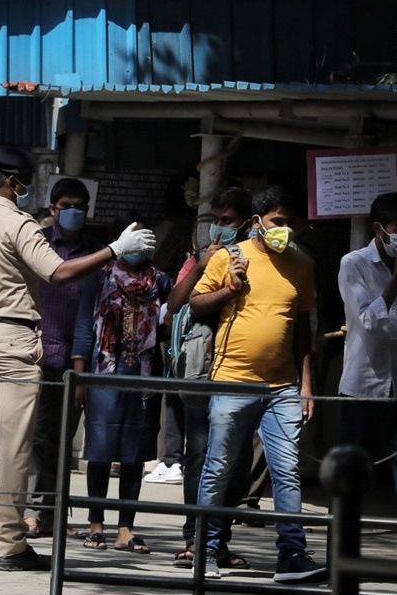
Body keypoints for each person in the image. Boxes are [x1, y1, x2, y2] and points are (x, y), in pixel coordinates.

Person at [0, 145, 156, 572]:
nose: (28, 189)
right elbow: (58, 272)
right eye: (27, 182)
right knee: (14, 447)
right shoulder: (20, 224)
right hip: (13, 336)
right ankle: (10, 544)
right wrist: (116, 249)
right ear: (13, 182)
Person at [188, 184, 327, 584]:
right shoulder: (231, 257)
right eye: (277, 221)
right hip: (232, 381)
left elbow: (302, 330)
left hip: (282, 387)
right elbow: (195, 303)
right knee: (218, 468)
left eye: (290, 222)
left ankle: (291, 555)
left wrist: (306, 386)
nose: (284, 229)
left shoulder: (302, 265)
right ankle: (206, 550)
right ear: (257, 222)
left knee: (287, 471)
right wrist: (230, 287)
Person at [333, 191, 397, 592]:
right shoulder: (353, 264)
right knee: (349, 485)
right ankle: (344, 573)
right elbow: (370, 322)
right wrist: (396, 276)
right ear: (378, 229)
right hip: (363, 389)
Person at [163, 186, 269, 568]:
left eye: (228, 221)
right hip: (201, 373)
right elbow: (174, 304)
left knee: (236, 463)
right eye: (216, 220)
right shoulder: (201, 258)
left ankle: (218, 541)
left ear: (246, 223)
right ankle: (194, 539)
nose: (220, 228)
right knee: (199, 455)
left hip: (239, 372)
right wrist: (204, 266)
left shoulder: (256, 260)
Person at [71, 212, 173, 554]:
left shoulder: (160, 281)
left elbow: (170, 319)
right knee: (99, 450)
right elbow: (84, 324)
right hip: (103, 372)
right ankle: (96, 525)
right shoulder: (99, 277)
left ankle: (125, 528)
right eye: (135, 237)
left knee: (135, 452)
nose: (140, 244)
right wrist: (80, 376)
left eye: (146, 238)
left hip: (144, 376)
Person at [23, 176, 102, 538]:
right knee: (36, 437)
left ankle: (54, 513)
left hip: (77, 360)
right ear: (52, 209)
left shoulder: (96, 253)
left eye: (80, 207)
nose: (73, 212)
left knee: (62, 440)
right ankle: (32, 511)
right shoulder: (36, 243)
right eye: (66, 206)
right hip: (38, 354)